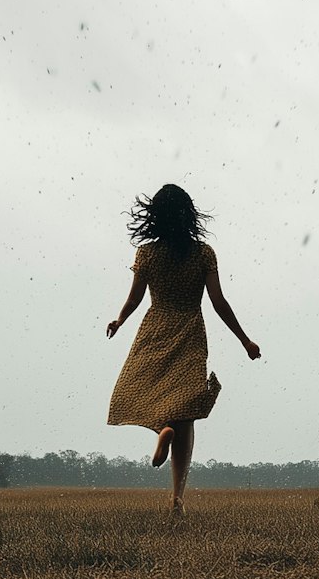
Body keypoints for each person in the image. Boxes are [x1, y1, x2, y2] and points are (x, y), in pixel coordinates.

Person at [106, 184, 260, 515]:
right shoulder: (203, 253)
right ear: (189, 215)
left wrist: (119, 320)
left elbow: (134, 298)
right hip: (190, 332)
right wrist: (244, 340)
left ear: (155, 217)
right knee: (186, 411)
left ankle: (162, 430)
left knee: (145, 394)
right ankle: (177, 497)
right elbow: (219, 302)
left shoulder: (147, 254)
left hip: (154, 329)